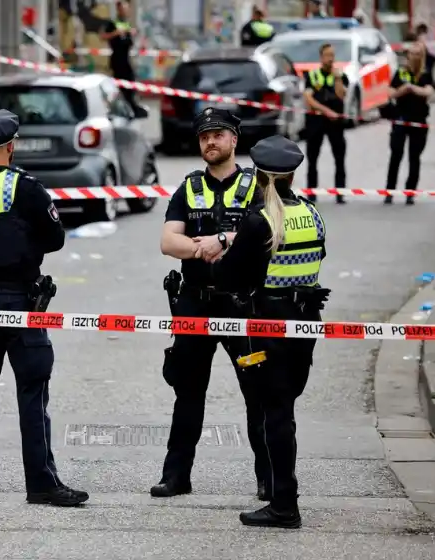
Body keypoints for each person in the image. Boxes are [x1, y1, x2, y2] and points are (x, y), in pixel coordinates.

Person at [0, 109, 89, 507]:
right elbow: (55, 237)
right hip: (21, 302)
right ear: (12, 146)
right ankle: (41, 484)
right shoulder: (25, 188)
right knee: (31, 392)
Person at [205, 135, 330, 528]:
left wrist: (224, 252)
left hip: (269, 324)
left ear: (259, 176)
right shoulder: (311, 212)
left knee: (274, 414)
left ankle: (283, 504)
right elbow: (318, 256)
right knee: (285, 409)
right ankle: (283, 496)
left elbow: (227, 277)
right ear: (292, 175)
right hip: (306, 321)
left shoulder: (260, 221)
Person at [154, 107, 268, 499]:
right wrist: (203, 248)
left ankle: (268, 478)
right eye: (204, 137)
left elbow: (270, 234)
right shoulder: (187, 188)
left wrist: (222, 240)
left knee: (258, 394)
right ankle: (176, 476)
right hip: (194, 303)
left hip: (244, 304)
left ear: (234, 140)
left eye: (218, 135)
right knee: (187, 392)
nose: (210, 142)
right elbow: (169, 242)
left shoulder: (257, 187)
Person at [384, 41, 435, 205]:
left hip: (419, 121)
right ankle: (389, 191)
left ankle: (410, 192)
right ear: (407, 56)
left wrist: (412, 88)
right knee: (396, 155)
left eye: (418, 54)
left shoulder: (425, 74)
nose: (414, 57)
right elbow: (390, 93)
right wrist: (403, 90)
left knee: (415, 157)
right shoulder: (400, 73)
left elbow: (429, 91)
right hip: (401, 119)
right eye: (412, 53)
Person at [302, 43, 349, 205]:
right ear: (321, 57)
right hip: (316, 121)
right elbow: (308, 99)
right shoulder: (313, 75)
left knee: (339, 157)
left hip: (335, 123)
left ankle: (340, 192)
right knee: (313, 158)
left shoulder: (341, 75)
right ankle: (312, 193)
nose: (330, 58)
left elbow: (341, 95)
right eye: (327, 55)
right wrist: (326, 111)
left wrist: (337, 78)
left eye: (332, 55)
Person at [99, 1, 139, 111]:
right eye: (123, 9)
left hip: (126, 58)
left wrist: (132, 33)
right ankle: (116, 108)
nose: (126, 11)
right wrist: (115, 33)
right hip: (117, 59)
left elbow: (129, 39)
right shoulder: (112, 23)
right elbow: (103, 36)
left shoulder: (127, 23)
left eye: (127, 9)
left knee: (130, 83)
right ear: (119, 10)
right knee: (118, 85)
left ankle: (130, 105)